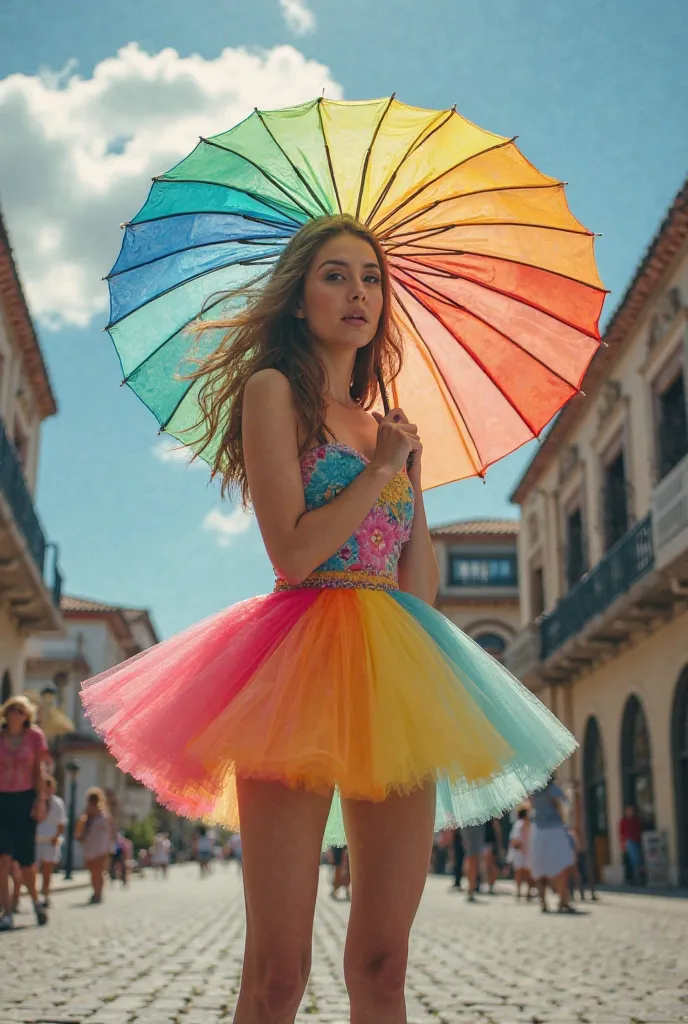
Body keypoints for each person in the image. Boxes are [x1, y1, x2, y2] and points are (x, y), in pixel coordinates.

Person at [81, 214, 577, 1022]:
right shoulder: (272, 392)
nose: (359, 293)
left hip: (397, 666)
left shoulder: (392, 431)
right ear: (299, 298)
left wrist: (410, 481)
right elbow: (295, 554)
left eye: (372, 279)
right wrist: (378, 469)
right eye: (336, 275)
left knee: (384, 965)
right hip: (291, 666)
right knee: (278, 972)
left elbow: (415, 592)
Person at [0, 695, 49, 929]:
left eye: (20, 710)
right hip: (1, 800)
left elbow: (40, 770)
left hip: (24, 799)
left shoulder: (35, 737)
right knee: (3, 859)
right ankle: (6, 911)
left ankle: (36, 901)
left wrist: (40, 800)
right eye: (12, 710)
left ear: (27, 715)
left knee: (26, 860)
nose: (15, 714)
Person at [528, 778, 577, 913]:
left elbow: (531, 807)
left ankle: (543, 900)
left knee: (541, 866)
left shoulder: (533, 790)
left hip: (538, 830)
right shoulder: (552, 788)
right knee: (562, 865)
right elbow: (565, 803)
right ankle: (563, 899)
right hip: (554, 829)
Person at [75, 787, 113, 904]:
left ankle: (98, 893)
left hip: (101, 846)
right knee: (94, 871)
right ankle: (96, 891)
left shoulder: (103, 813)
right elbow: (80, 830)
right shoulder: (87, 815)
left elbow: (110, 830)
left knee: (99, 870)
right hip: (92, 845)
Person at [35, 774, 66, 908]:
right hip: (36, 840)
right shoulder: (35, 801)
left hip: (50, 840)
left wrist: (56, 837)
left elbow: (61, 823)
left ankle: (46, 895)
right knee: (31, 870)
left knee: (47, 871)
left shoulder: (57, 803)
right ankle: (33, 894)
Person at [506, 807, 531, 900]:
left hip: (528, 851)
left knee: (528, 873)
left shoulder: (530, 825)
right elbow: (514, 840)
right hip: (519, 852)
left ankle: (528, 892)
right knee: (519, 872)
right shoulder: (518, 825)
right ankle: (519, 891)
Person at [619, 805, 645, 885]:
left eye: (631, 811)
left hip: (637, 841)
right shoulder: (624, 821)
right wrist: (622, 843)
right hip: (629, 842)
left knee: (636, 858)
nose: (629, 812)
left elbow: (639, 831)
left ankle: (638, 874)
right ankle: (635, 875)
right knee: (633, 859)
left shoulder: (636, 821)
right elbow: (621, 833)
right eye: (628, 811)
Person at [460, 824, 485, 903]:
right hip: (473, 822)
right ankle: (471, 889)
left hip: (472, 822)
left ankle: (471, 888)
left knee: (472, 859)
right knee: (472, 859)